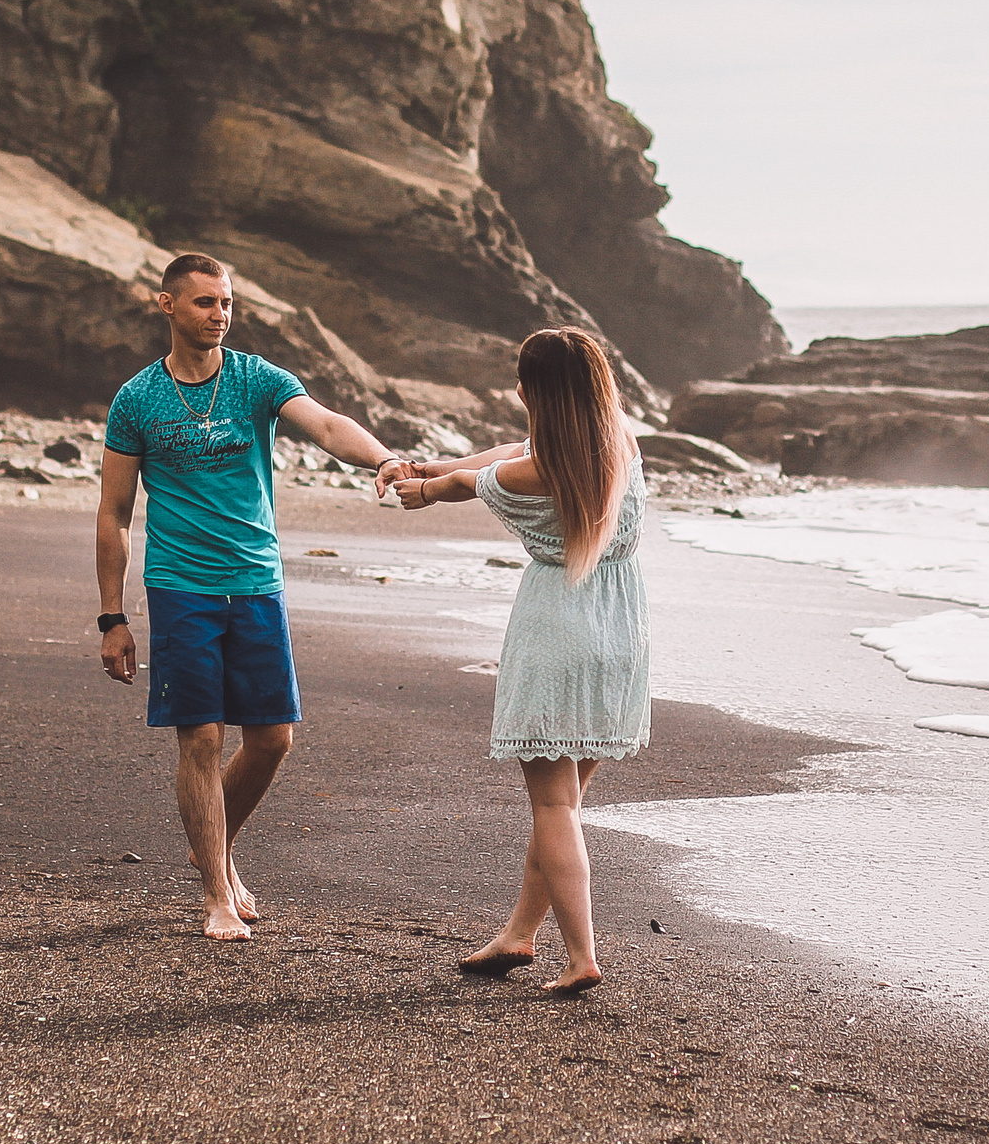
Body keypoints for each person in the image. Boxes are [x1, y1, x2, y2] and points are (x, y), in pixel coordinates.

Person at [96, 252, 411, 940]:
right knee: (201, 736)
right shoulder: (137, 399)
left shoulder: (257, 379)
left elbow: (326, 424)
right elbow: (114, 513)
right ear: (167, 305)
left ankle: (213, 843)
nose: (220, 314)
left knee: (271, 739)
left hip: (257, 584)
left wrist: (383, 456)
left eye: (227, 303)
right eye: (206, 302)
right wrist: (113, 617)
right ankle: (215, 893)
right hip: (182, 585)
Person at [393, 327, 649, 995]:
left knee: (553, 803)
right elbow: (502, 452)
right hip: (621, 632)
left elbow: (475, 477)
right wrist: (435, 465)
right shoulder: (621, 445)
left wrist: (421, 485)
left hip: (557, 629)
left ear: (528, 390)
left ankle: (581, 955)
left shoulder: (526, 472)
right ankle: (519, 933)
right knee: (565, 802)